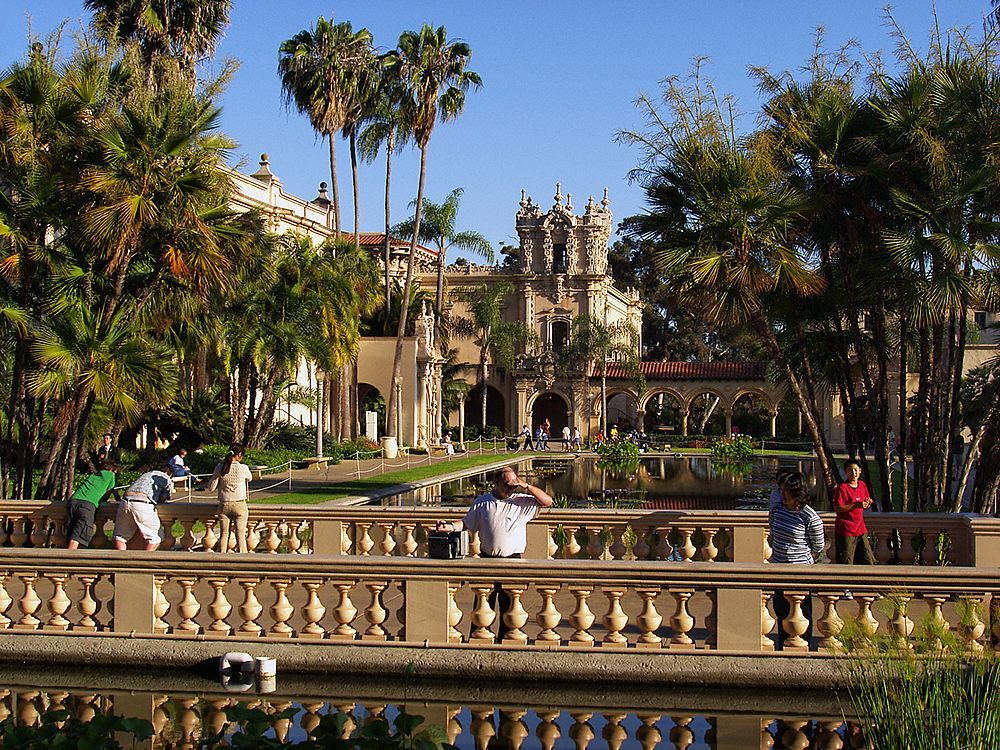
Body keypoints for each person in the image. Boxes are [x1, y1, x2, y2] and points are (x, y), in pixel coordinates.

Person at [436, 465, 553, 640]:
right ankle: (479, 639)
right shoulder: (483, 502)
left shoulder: (521, 501)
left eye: (513, 485)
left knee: (510, 607)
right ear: (496, 482)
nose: (510, 488)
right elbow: (467, 523)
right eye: (507, 484)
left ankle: (507, 642)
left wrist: (525, 485)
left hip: (512, 562)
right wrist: (450, 527)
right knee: (483, 604)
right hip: (487, 561)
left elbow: (547, 501)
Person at [768, 471, 825, 649]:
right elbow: (773, 529)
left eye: (785, 491)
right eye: (781, 490)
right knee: (781, 609)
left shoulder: (810, 517)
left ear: (796, 492)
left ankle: (804, 644)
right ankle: (782, 643)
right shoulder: (777, 509)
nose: (781, 494)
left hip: (800, 570)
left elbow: (818, 546)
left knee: (802, 611)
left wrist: (801, 559)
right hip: (778, 568)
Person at [113, 464, 174, 551]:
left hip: (125, 502)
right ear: (168, 473)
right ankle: (145, 561)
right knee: (154, 539)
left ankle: (119, 560)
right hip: (143, 504)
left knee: (120, 537)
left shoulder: (144, 475)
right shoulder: (165, 477)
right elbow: (165, 497)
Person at [208, 443, 254, 553]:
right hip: (239, 504)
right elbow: (250, 478)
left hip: (224, 504)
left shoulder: (220, 467)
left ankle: (221, 557)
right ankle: (242, 559)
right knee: (240, 534)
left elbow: (211, 487)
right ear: (239, 454)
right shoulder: (243, 468)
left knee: (224, 534)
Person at [66, 459, 120, 549]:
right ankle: (68, 559)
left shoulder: (94, 475)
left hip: (73, 501)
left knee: (71, 531)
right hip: (87, 505)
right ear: (111, 469)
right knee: (78, 536)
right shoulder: (111, 475)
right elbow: (110, 491)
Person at [833, 459, 876, 565]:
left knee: (868, 559)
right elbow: (838, 508)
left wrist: (867, 503)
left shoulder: (862, 485)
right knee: (846, 561)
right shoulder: (842, 488)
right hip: (846, 531)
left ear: (860, 471)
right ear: (846, 472)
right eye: (850, 470)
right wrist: (856, 505)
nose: (853, 473)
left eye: (856, 470)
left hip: (861, 529)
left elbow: (865, 501)